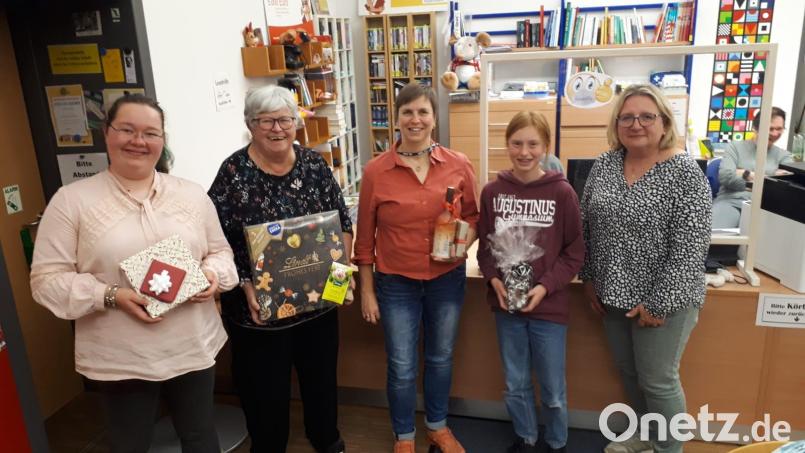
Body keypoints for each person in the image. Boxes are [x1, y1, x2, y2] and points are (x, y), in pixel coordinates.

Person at [30, 94, 237, 453]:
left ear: (162, 140)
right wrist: (110, 295)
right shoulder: (71, 201)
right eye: (127, 129)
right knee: (130, 443)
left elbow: (221, 253)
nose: (138, 141)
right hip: (123, 354)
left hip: (191, 343)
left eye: (150, 133)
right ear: (106, 133)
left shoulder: (191, 195)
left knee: (200, 435)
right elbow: (46, 280)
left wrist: (211, 275)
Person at [208, 85, 352, 453]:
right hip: (259, 312)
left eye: (285, 119)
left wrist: (339, 283)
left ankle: (326, 439)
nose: (277, 128)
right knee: (264, 393)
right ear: (250, 125)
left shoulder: (314, 165)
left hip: (318, 307)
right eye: (266, 121)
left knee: (321, 381)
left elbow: (341, 225)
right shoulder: (232, 173)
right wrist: (244, 283)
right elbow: (213, 240)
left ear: (296, 123)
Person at [579, 84, 711, 453]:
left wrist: (659, 303)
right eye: (627, 117)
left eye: (647, 117)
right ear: (616, 124)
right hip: (613, 294)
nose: (636, 124)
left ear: (664, 122)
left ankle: (669, 449)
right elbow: (585, 224)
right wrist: (588, 278)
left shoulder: (684, 172)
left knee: (658, 381)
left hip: (665, 299)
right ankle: (644, 436)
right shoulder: (606, 164)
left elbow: (691, 247)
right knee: (629, 372)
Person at [354, 83, 479, 453]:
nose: (415, 119)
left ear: (434, 118)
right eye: (407, 112)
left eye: (423, 112)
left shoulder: (458, 164)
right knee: (402, 365)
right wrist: (367, 291)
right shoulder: (376, 171)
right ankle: (404, 436)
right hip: (396, 283)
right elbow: (365, 239)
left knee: (440, 358)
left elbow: (475, 216)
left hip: (446, 279)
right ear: (396, 118)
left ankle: (437, 427)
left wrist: (460, 243)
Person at [476, 111, 584, 453]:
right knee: (515, 382)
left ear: (546, 146)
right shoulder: (492, 192)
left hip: (549, 308)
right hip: (506, 306)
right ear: (507, 144)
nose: (524, 152)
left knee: (552, 388)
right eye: (517, 143)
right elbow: (485, 250)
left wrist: (544, 286)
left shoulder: (562, 193)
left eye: (533, 144)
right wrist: (494, 281)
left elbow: (574, 253)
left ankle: (556, 442)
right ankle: (525, 437)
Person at [712, 106, 794, 228]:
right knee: (715, 235)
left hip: (766, 208)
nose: (775, 133)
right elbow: (726, 177)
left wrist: (744, 174)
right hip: (731, 201)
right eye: (770, 128)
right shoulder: (735, 147)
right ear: (755, 128)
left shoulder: (785, 157)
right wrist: (768, 177)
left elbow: (783, 188)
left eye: (779, 129)